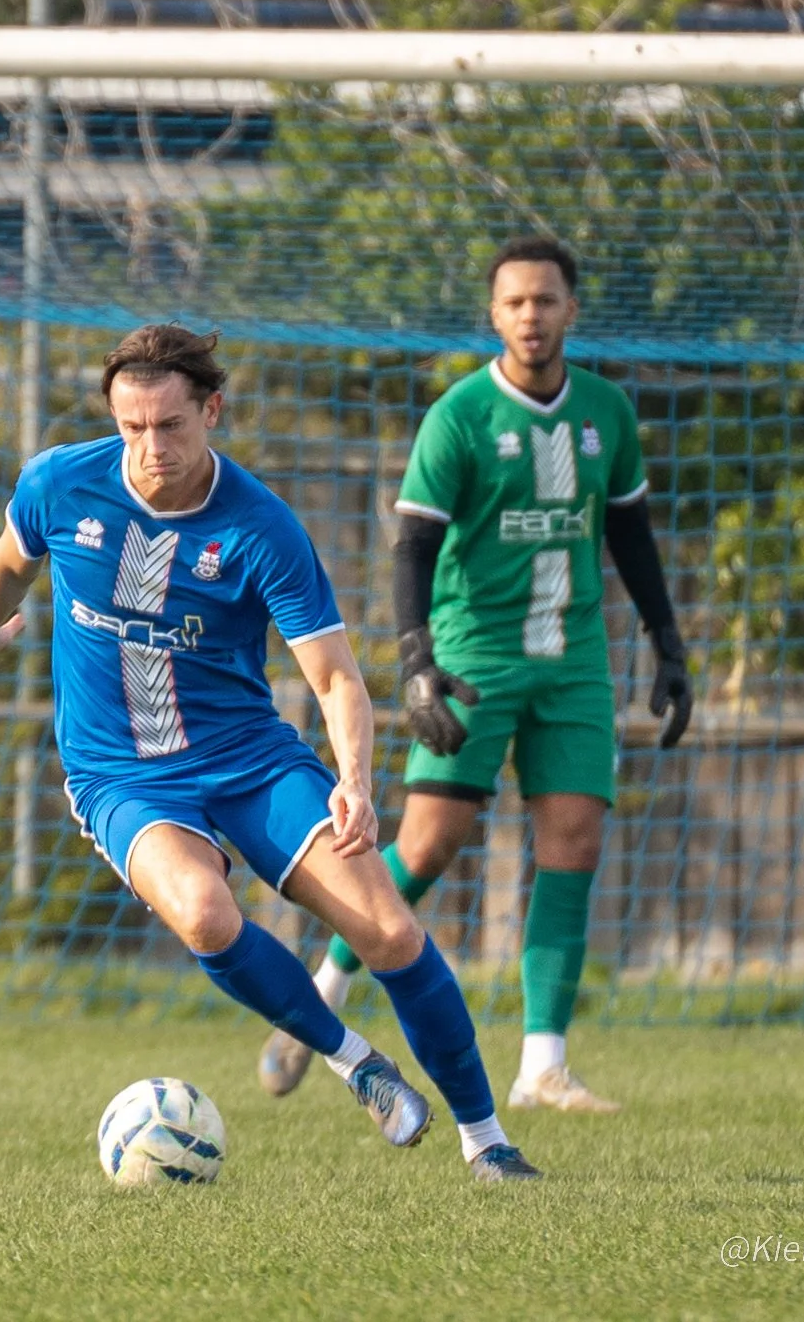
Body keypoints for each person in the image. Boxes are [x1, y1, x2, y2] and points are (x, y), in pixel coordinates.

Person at [0, 322, 539, 1182]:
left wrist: (354, 781)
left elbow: (337, 679)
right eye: (132, 428)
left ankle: (488, 1140)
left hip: (250, 759)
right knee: (203, 912)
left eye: (171, 426)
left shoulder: (263, 526)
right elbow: (9, 560)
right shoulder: (59, 484)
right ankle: (356, 1062)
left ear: (213, 410)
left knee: (388, 926)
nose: (150, 448)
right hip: (120, 773)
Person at [259, 237, 692, 1115]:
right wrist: (416, 660)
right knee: (426, 846)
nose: (531, 316)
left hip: (573, 663)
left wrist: (668, 643)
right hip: (472, 658)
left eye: (546, 300)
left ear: (572, 309)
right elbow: (412, 543)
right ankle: (330, 986)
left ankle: (542, 1067)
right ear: (493, 316)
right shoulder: (459, 415)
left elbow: (631, 536)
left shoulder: (606, 411)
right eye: (515, 303)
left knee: (573, 844)